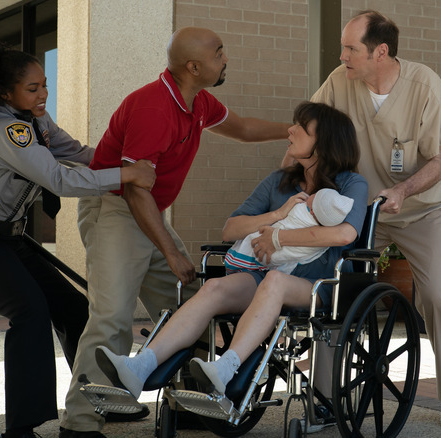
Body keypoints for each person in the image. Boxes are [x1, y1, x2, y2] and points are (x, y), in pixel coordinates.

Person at [58, 27, 292, 438]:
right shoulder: (153, 108)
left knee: (190, 306)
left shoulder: (198, 101)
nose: (226, 58)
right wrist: (171, 252)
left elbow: (242, 128)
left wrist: (294, 131)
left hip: (149, 213)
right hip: (116, 209)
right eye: (219, 53)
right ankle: (80, 423)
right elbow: (135, 190)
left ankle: (187, 405)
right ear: (194, 67)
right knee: (112, 318)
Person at [0, 41, 156, 438]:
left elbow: (76, 153)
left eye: (44, 85)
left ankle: (98, 401)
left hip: (10, 239)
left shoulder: (34, 121)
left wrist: (126, 162)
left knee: (73, 309)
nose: (43, 94)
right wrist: (126, 176)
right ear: (5, 93)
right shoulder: (5, 128)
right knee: (30, 314)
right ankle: (20, 430)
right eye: (32, 88)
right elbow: (59, 179)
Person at [94, 101, 368, 407]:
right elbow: (231, 229)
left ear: (324, 142)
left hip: (318, 285)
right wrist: (276, 215)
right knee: (214, 288)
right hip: (263, 276)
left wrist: (279, 238)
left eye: (301, 128)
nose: (290, 130)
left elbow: (345, 234)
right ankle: (140, 366)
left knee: (275, 281)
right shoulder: (280, 181)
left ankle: (225, 368)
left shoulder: (351, 183)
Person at [309, 10, 441, 428]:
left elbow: (439, 161)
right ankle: (324, 398)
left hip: (423, 208)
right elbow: (308, 133)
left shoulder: (425, 84)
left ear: (380, 52)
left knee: (434, 296)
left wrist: (401, 191)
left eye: (350, 48)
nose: (342, 56)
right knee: (336, 289)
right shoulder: (339, 82)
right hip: (365, 211)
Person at [224, 187, 355, 274]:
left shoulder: (300, 210)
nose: (311, 194)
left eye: (315, 196)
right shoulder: (325, 232)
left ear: (312, 211)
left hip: (259, 255)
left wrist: (276, 237)